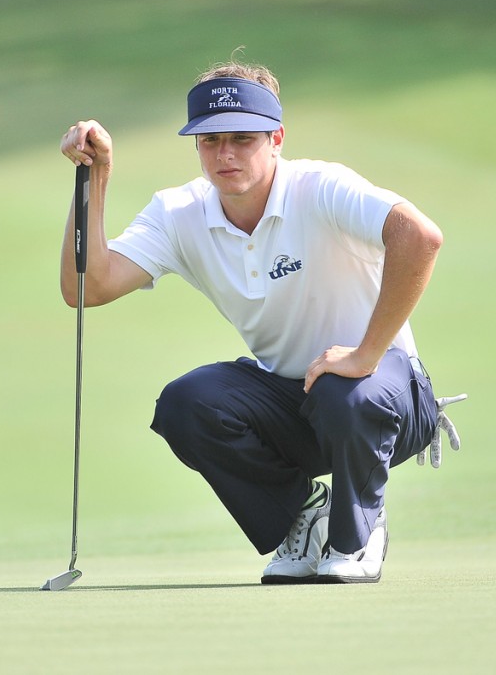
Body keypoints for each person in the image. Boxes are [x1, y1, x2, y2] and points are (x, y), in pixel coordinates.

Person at [58, 58, 463, 584]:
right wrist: (94, 177)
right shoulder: (179, 213)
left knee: (345, 392)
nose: (224, 154)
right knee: (187, 403)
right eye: (209, 140)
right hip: (296, 405)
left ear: (276, 138)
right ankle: (306, 517)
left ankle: (359, 532)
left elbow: (420, 236)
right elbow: (86, 286)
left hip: (386, 399)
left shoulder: (319, 187)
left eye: (242, 138)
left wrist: (364, 354)